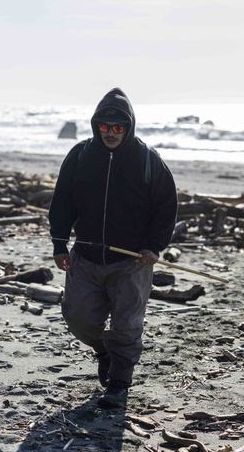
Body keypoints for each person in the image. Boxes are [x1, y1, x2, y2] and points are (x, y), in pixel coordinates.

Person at [48, 88, 178, 409]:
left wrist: (154, 247)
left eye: (118, 127)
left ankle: (119, 384)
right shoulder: (80, 156)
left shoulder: (148, 160)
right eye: (105, 126)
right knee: (78, 318)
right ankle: (104, 352)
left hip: (132, 262)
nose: (110, 132)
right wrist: (59, 243)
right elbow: (62, 201)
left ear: (129, 127)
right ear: (96, 126)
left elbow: (166, 206)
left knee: (127, 326)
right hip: (86, 256)